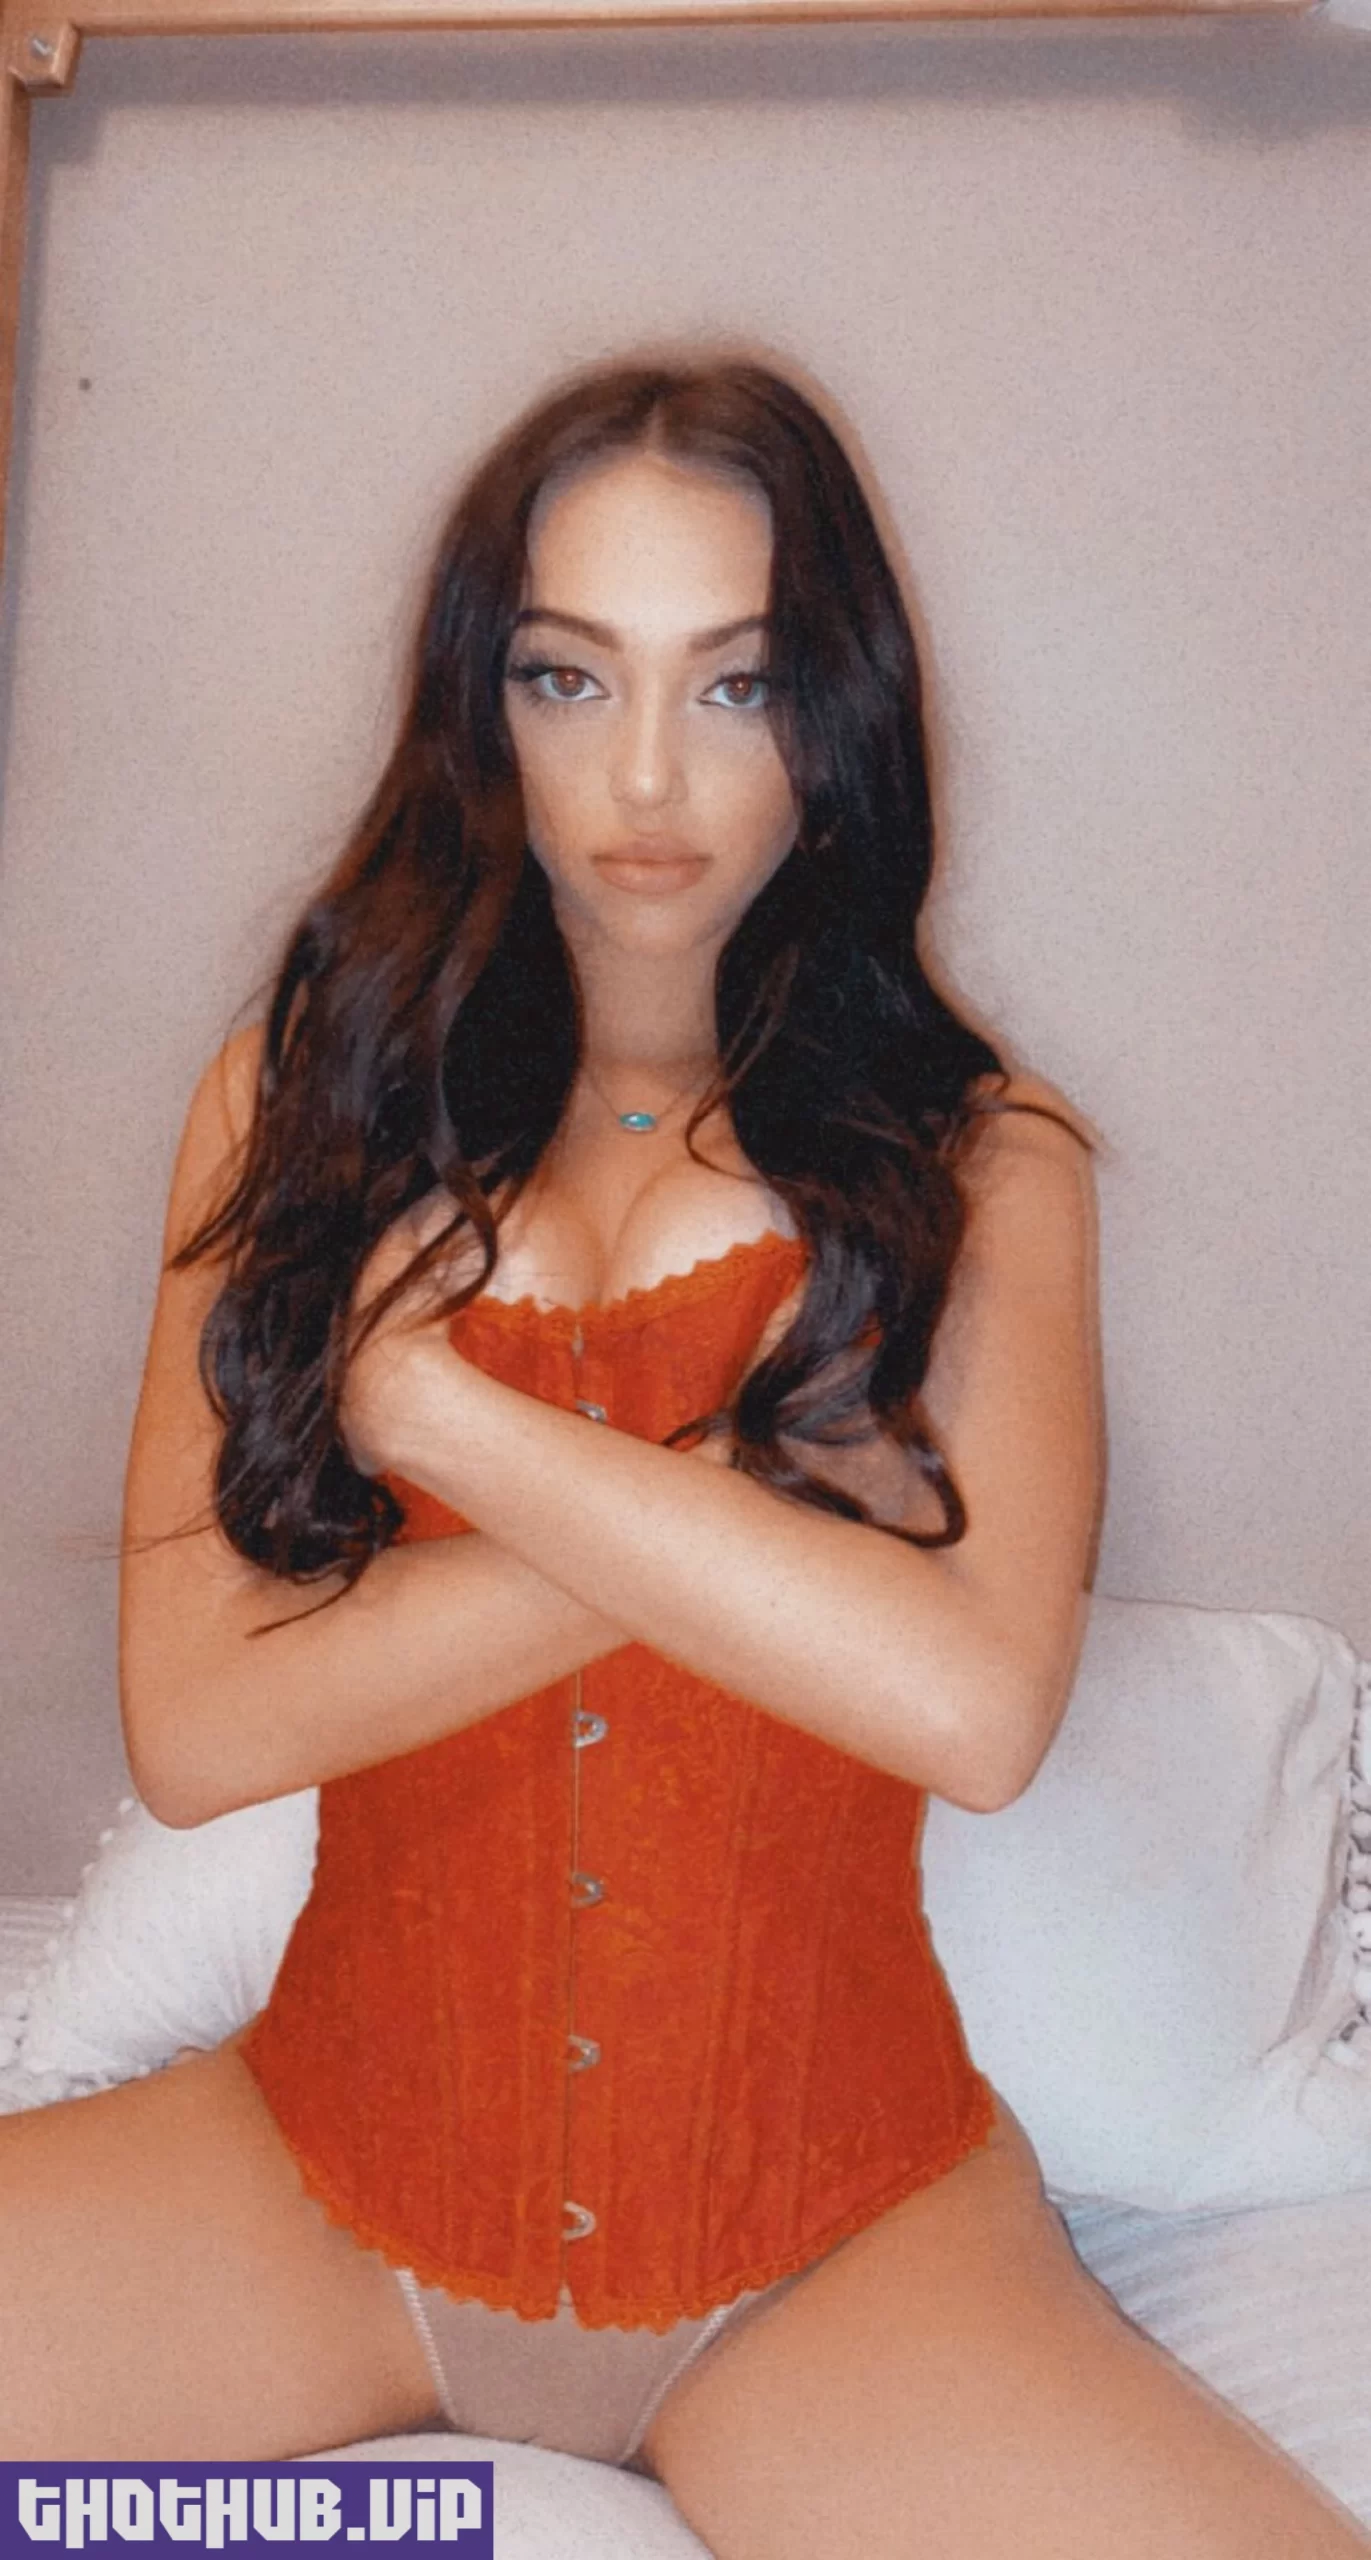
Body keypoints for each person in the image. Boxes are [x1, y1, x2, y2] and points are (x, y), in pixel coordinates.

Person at [2, 348, 1367, 2560]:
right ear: (481, 709)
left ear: (834, 721)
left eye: (734, 685)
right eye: (568, 675)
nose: (645, 773)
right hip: (312, 2181)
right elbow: (199, 1720)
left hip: (831, 2249)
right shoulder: (297, 1098)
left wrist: (447, 1421)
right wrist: (753, 1511)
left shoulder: (982, 1159)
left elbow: (973, 1706)